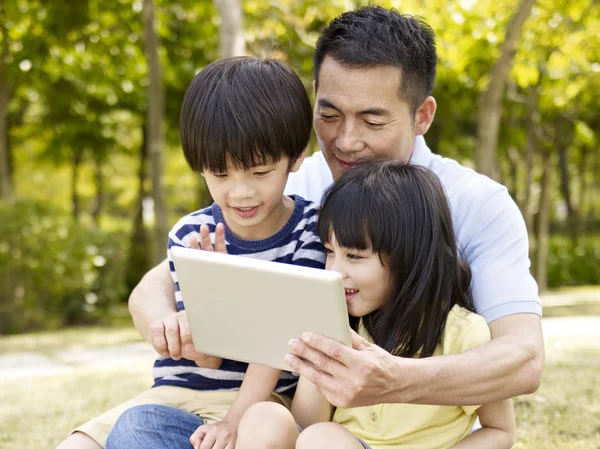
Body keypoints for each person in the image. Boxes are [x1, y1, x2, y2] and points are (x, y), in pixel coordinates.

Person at [95, 5, 543, 448]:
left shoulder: (476, 204)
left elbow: (523, 361)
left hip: (316, 420)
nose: (346, 142)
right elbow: (160, 279)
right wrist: (175, 324)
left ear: (422, 116)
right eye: (329, 116)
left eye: (372, 119)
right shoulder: (288, 180)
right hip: (260, 417)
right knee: (121, 433)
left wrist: (395, 381)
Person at [57, 56, 326, 449]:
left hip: (255, 404)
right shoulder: (190, 233)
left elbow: (280, 337)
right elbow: (208, 356)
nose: (241, 192)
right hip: (175, 395)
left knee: (138, 433)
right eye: (220, 175)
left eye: (260, 172)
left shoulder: (310, 230)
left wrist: (235, 418)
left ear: (296, 155)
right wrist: (185, 332)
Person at [236, 159, 516, 449]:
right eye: (331, 252)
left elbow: (500, 430)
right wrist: (320, 356)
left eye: (354, 256)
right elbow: (306, 425)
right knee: (264, 418)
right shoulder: (343, 320)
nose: (334, 271)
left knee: (323, 440)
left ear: (408, 257)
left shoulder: (465, 333)